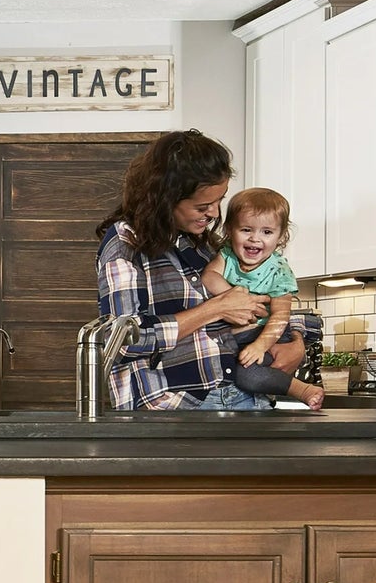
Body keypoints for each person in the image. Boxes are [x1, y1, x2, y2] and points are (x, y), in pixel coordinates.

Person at [95, 129, 314, 411]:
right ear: (166, 198)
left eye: (219, 200)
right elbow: (122, 341)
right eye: (203, 206)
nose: (214, 213)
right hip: (177, 408)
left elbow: (272, 296)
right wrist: (215, 309)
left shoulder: (202, 244)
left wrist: (297, 341)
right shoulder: (125, 244)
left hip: (245, 394)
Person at [201, 187, 324, 410]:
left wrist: (260, 346)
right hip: (236, 339)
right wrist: (235, 298)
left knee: (247, 375)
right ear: (229, 229)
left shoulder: (279, 270)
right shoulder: (227, 256)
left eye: (267, 232)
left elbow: (280, 316)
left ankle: (302, 390)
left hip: (267, 335)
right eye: (246, 229)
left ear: (281, 236)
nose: (255, 238)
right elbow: (209, 277)